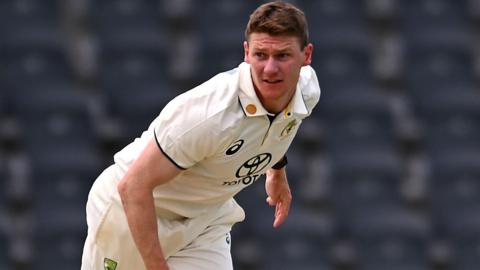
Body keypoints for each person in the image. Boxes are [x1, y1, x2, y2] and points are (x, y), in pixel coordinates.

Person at [81, 1, 320, 269]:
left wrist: (277, 170)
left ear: (306, 56)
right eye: (261, 55)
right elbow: (133, 186)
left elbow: (277, 123)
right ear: (246, 53)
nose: (270, 69)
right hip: (131, 212)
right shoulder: (211, 114)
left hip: (205, 220)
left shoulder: (307, 90)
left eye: (283, 56)